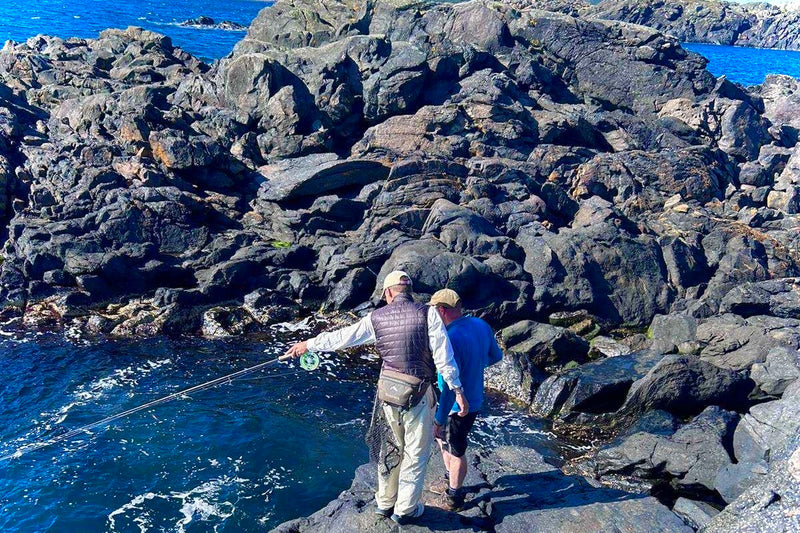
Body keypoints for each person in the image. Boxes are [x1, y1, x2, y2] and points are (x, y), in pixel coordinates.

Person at [284, 270, 469, 525]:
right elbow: (443, 357)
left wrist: (309, 344)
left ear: (388, 292)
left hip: (387, 393)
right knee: (416, 454)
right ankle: (405, 509)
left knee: (389, 449)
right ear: (409, 290)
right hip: (418, 394)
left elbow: (343, 337)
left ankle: (384, 502)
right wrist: (458, 392)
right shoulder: (428, 314)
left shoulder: (375, 317)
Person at [428, 288, 503, 511]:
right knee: (450, 442)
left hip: (457, 407)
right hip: (476, 399)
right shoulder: (480, 325)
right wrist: (475, 367)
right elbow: (496, 356)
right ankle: (450, 478)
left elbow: (451, 389)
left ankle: (454, 496)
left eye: (433, 311)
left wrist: (439, 419)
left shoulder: (448, 339)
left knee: (455, 449)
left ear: (441, 310)